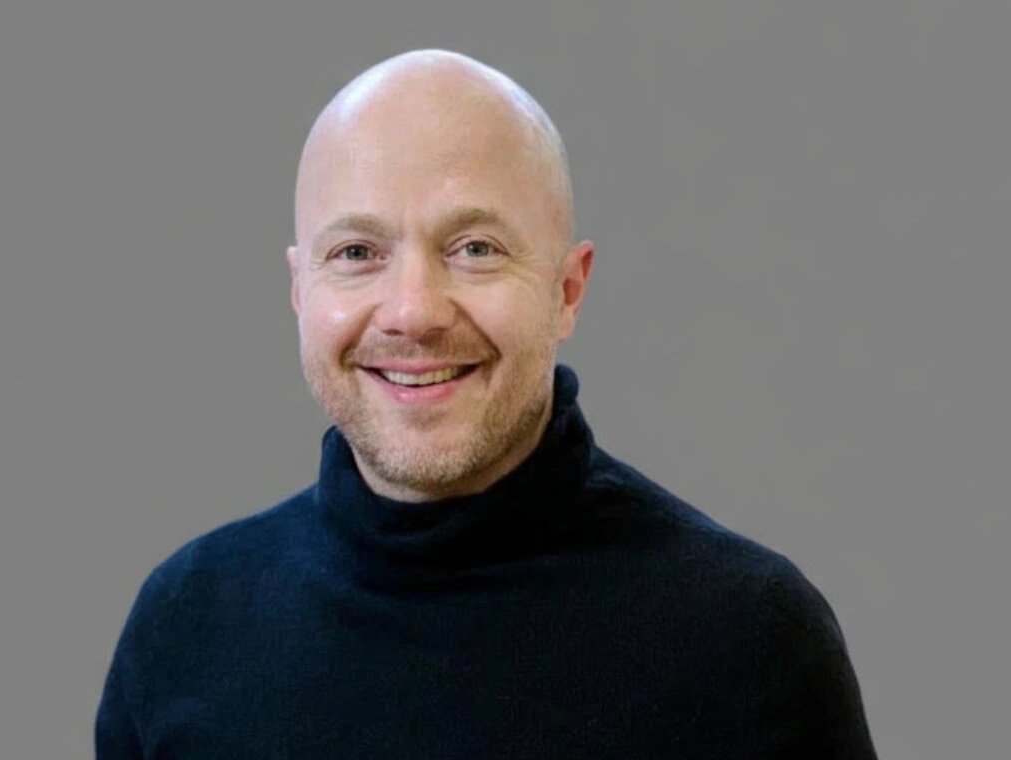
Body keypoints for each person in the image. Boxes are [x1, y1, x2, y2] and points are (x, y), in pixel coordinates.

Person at [95, 49, 877, 759]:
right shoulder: (184, 624)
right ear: (300, 289)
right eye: (357, 253)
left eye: (475, 249)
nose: (413, 312)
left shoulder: (745, 640)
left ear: (567, 290)